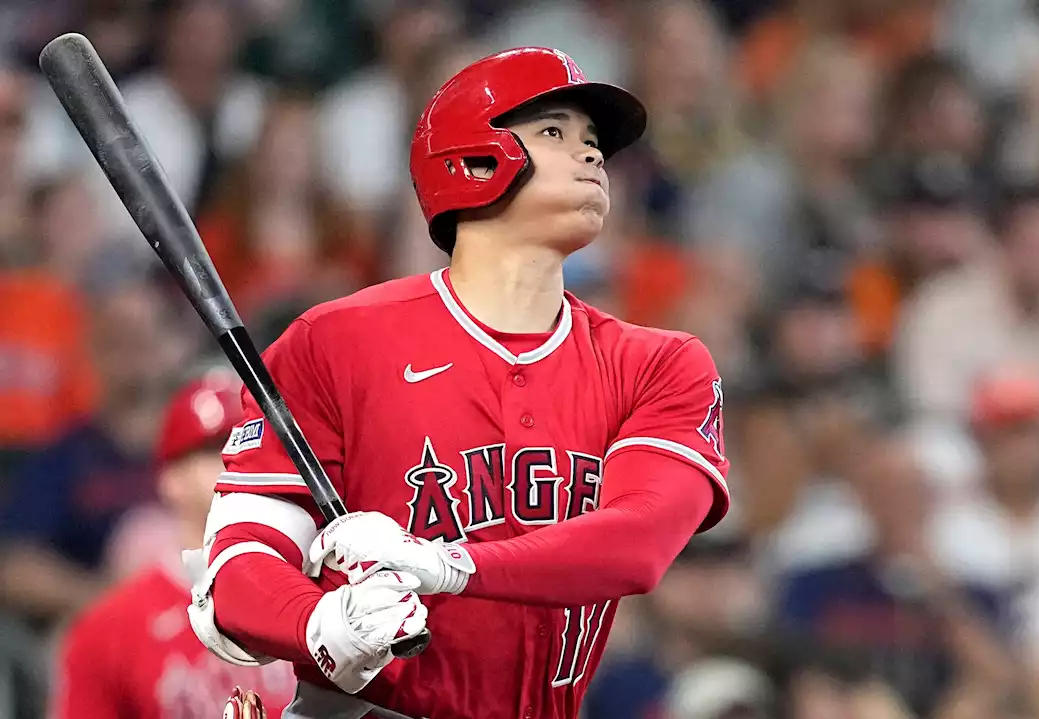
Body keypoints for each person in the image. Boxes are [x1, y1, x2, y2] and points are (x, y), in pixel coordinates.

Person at [188, 47, 731, 719]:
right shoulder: (337, 341)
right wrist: (324, 625)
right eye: (555, 133)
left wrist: (445, 564)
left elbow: (639, 541)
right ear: (471, 161)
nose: (591, 156)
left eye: (593, 142)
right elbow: (237, 566)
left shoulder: (658, 363)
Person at [50, 370, 296, 719]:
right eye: (219, 448)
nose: (244, 460)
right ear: (171, 480)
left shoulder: (329, 594)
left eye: (257, 443)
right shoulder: (110, 630)